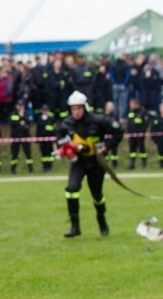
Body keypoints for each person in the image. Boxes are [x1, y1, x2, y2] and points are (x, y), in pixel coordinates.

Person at [56, 91, 124, 238]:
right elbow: (60, 138)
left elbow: (118, 131)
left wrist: (106, 146)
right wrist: (64, 150)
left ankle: (102, 219)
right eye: (73, 109)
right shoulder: (67, 123)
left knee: (97, 194)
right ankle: (75, 226)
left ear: (84, 107)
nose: (76, 112)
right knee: (71, 189)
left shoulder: (98, 120)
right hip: (78, 161)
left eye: (78, 108)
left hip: (95, 162)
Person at [8, 101, 33, 174]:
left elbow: (29, 122)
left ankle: (30, 169)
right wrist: (20, 121)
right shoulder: (13, 114)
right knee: (14, 154)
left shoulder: (26, 114)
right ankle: (13, 169)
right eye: (19, 105)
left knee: (28, 153)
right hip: (15, 137)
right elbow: (12, 122)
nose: (21, 107)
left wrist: (22, 116)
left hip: (25, 136)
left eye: (22, 105)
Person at [126, 97, 149, 170]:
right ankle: (132, 164)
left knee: (142, 149)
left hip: (140, 134)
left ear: (136, 104)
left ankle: (144, 163)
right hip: (132, 134)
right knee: (132, 150)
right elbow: (128, 124)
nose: (130, 106)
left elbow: (145, 124)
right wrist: (127, 133)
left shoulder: (142, 111)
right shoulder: (130, 112)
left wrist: (142, 132)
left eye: (131, 104)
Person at [36, 104, 56, 173]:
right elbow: (38, 129)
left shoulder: (51, 118)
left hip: (49, 138)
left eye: (46, 110)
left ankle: (49, 167)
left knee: (49, 153)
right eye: (44, 110)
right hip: (42, 138)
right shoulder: (39, 118)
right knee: (43, 154)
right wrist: (37, 138)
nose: (45, 111)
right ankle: (45, 167)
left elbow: (53, 128)